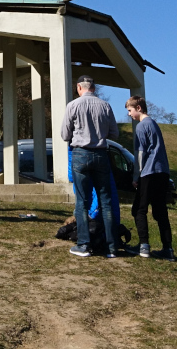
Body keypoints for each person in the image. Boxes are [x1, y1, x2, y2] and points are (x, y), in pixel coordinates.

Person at [60, 75, 121, 258]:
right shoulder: (105, 106)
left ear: (80, 87)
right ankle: (112, 247)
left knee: (82, 202)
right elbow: (115, 133)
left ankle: (84, 244)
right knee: (106, 201)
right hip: (101, 154)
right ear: (93, 88)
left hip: (80, 153)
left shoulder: (73, 105)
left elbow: (64, 134)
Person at [125, 96, 174, 260]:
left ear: (139, 108)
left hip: (149, 172)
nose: (129, 114)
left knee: (138, 209)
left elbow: (140, 153)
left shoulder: (141, 126)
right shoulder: (154, 124)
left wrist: (136, 175)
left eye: (130, 110)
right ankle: (168, 249)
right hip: (163, 172)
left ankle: (144, 245)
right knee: (160, 211)